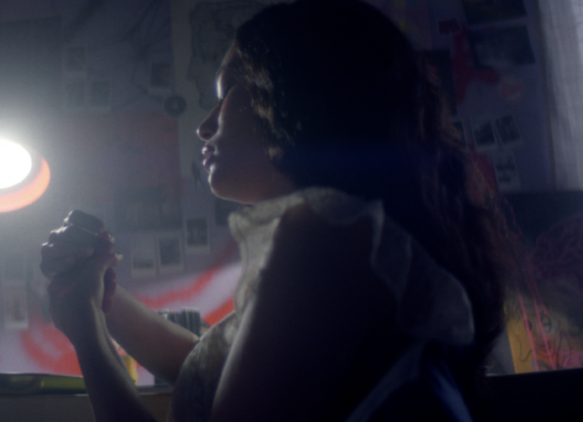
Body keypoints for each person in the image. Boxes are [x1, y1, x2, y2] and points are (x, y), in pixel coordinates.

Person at [39, 1, 513, 421]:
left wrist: (86, 333)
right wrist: (103, 300)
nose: (205, 127)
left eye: (227, 92)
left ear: (291, 93)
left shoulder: (323, 234)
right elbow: (213, 372)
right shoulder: (350, 238)